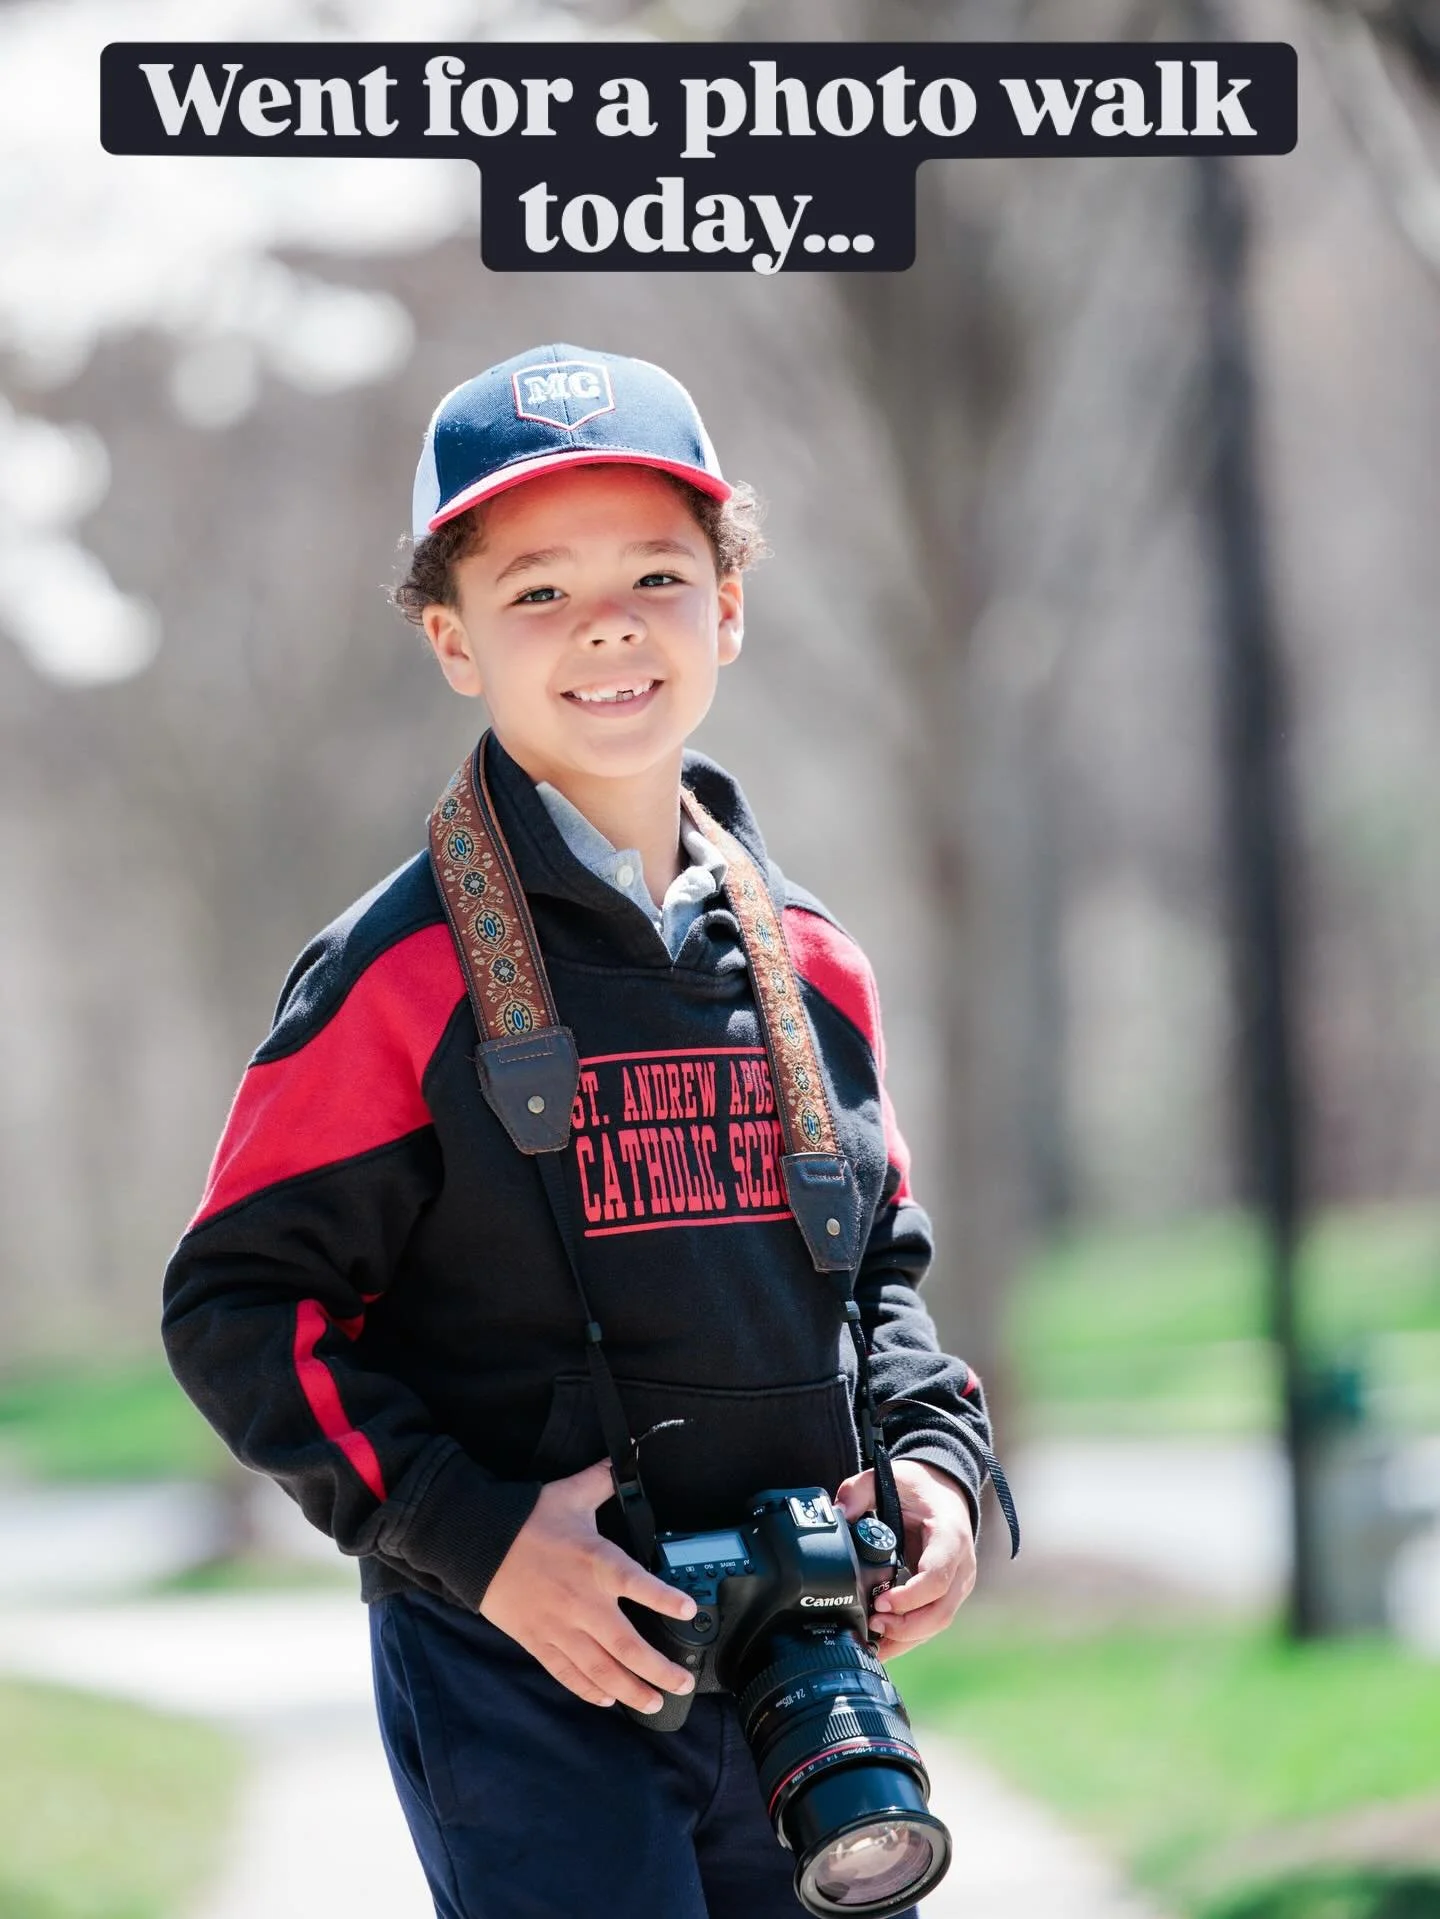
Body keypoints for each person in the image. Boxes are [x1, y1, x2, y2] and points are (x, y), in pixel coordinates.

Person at [162, 342, 1003, 1919]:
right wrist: (477, 1544)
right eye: (536, 590)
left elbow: (878, 1273)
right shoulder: (397, 977)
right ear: (450, 638)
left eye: (657, 575)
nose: (608, 622)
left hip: (793, 1674)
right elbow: (235, 1306)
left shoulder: (810, 960)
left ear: (729, 608)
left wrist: (941, 1474)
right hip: (523, 1672)